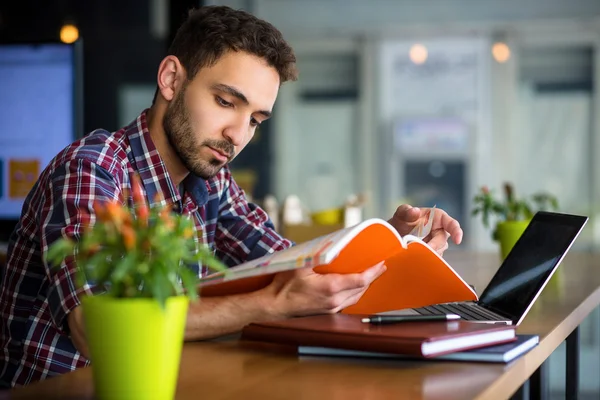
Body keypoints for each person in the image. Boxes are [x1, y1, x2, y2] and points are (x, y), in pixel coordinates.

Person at [0, 5, 462, 387]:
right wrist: (271, 304)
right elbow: (99, 332)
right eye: (225, 102)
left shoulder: (209, 180)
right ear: (171, 79)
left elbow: (303, 268)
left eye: (256, 120)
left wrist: (390, 243)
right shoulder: (92, 169)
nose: (237, 135)